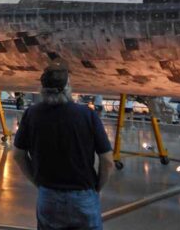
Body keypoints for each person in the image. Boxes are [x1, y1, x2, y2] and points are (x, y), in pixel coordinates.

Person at [13, 65, 114, 230]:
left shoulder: (32, 114)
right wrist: (97, 187)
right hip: (83, 195)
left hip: (48, 195)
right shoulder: (87, 115)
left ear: (42, 89)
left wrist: (37, 182)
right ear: (67, 88)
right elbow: (107, 160)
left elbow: (18, 155)